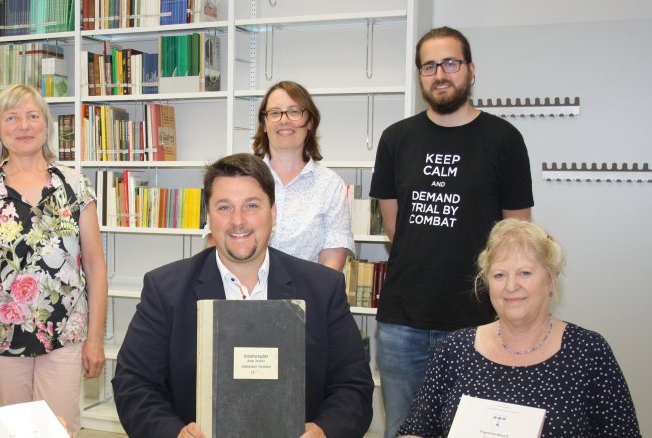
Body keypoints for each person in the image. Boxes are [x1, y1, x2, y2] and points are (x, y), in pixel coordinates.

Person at [112, 153, 374, 438]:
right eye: (224, 207)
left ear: (273, 213)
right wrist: (174, 433)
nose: (238, 221)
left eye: (251, 206)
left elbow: (353, 385)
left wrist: (325, 432)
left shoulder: (323, 288)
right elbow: (134, 383)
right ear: (209, 216)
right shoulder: (165, 289)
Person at [368, 26, 534, 437]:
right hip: (402, 322)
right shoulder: (395, 139)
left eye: (450, 63)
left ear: (470, 70)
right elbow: (394, 228)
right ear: (419, 75)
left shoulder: (504, 140)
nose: (440, 74)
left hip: (477, 320)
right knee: (403, 430)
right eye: (429, 66)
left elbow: (518, 236)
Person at [398, 218, 641, 437]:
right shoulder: (454, 350)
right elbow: (415, 430)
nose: (511, 286)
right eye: (500, 275)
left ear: (551, 279)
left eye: (525, 273)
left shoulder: (588, 352)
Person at [0, 84, 107, 435]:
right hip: (1, 339)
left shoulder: (76, 187)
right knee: (11, 434)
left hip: (64, 337)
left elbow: (97, 268)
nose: (23, 126)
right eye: (11, 117)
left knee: (59, 431)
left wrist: (95, 339)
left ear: (46, 124)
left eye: (32, 116)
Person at [251, 80, 355, 270]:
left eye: (294, 111)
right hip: (242, 296)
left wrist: (306, 299)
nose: (284, 120)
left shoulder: (330, 184)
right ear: (264, 124)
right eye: (275, 113)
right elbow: (218, 242)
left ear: (310, 122)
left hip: (306, 296)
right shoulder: (243, 177)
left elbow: (331, 262)